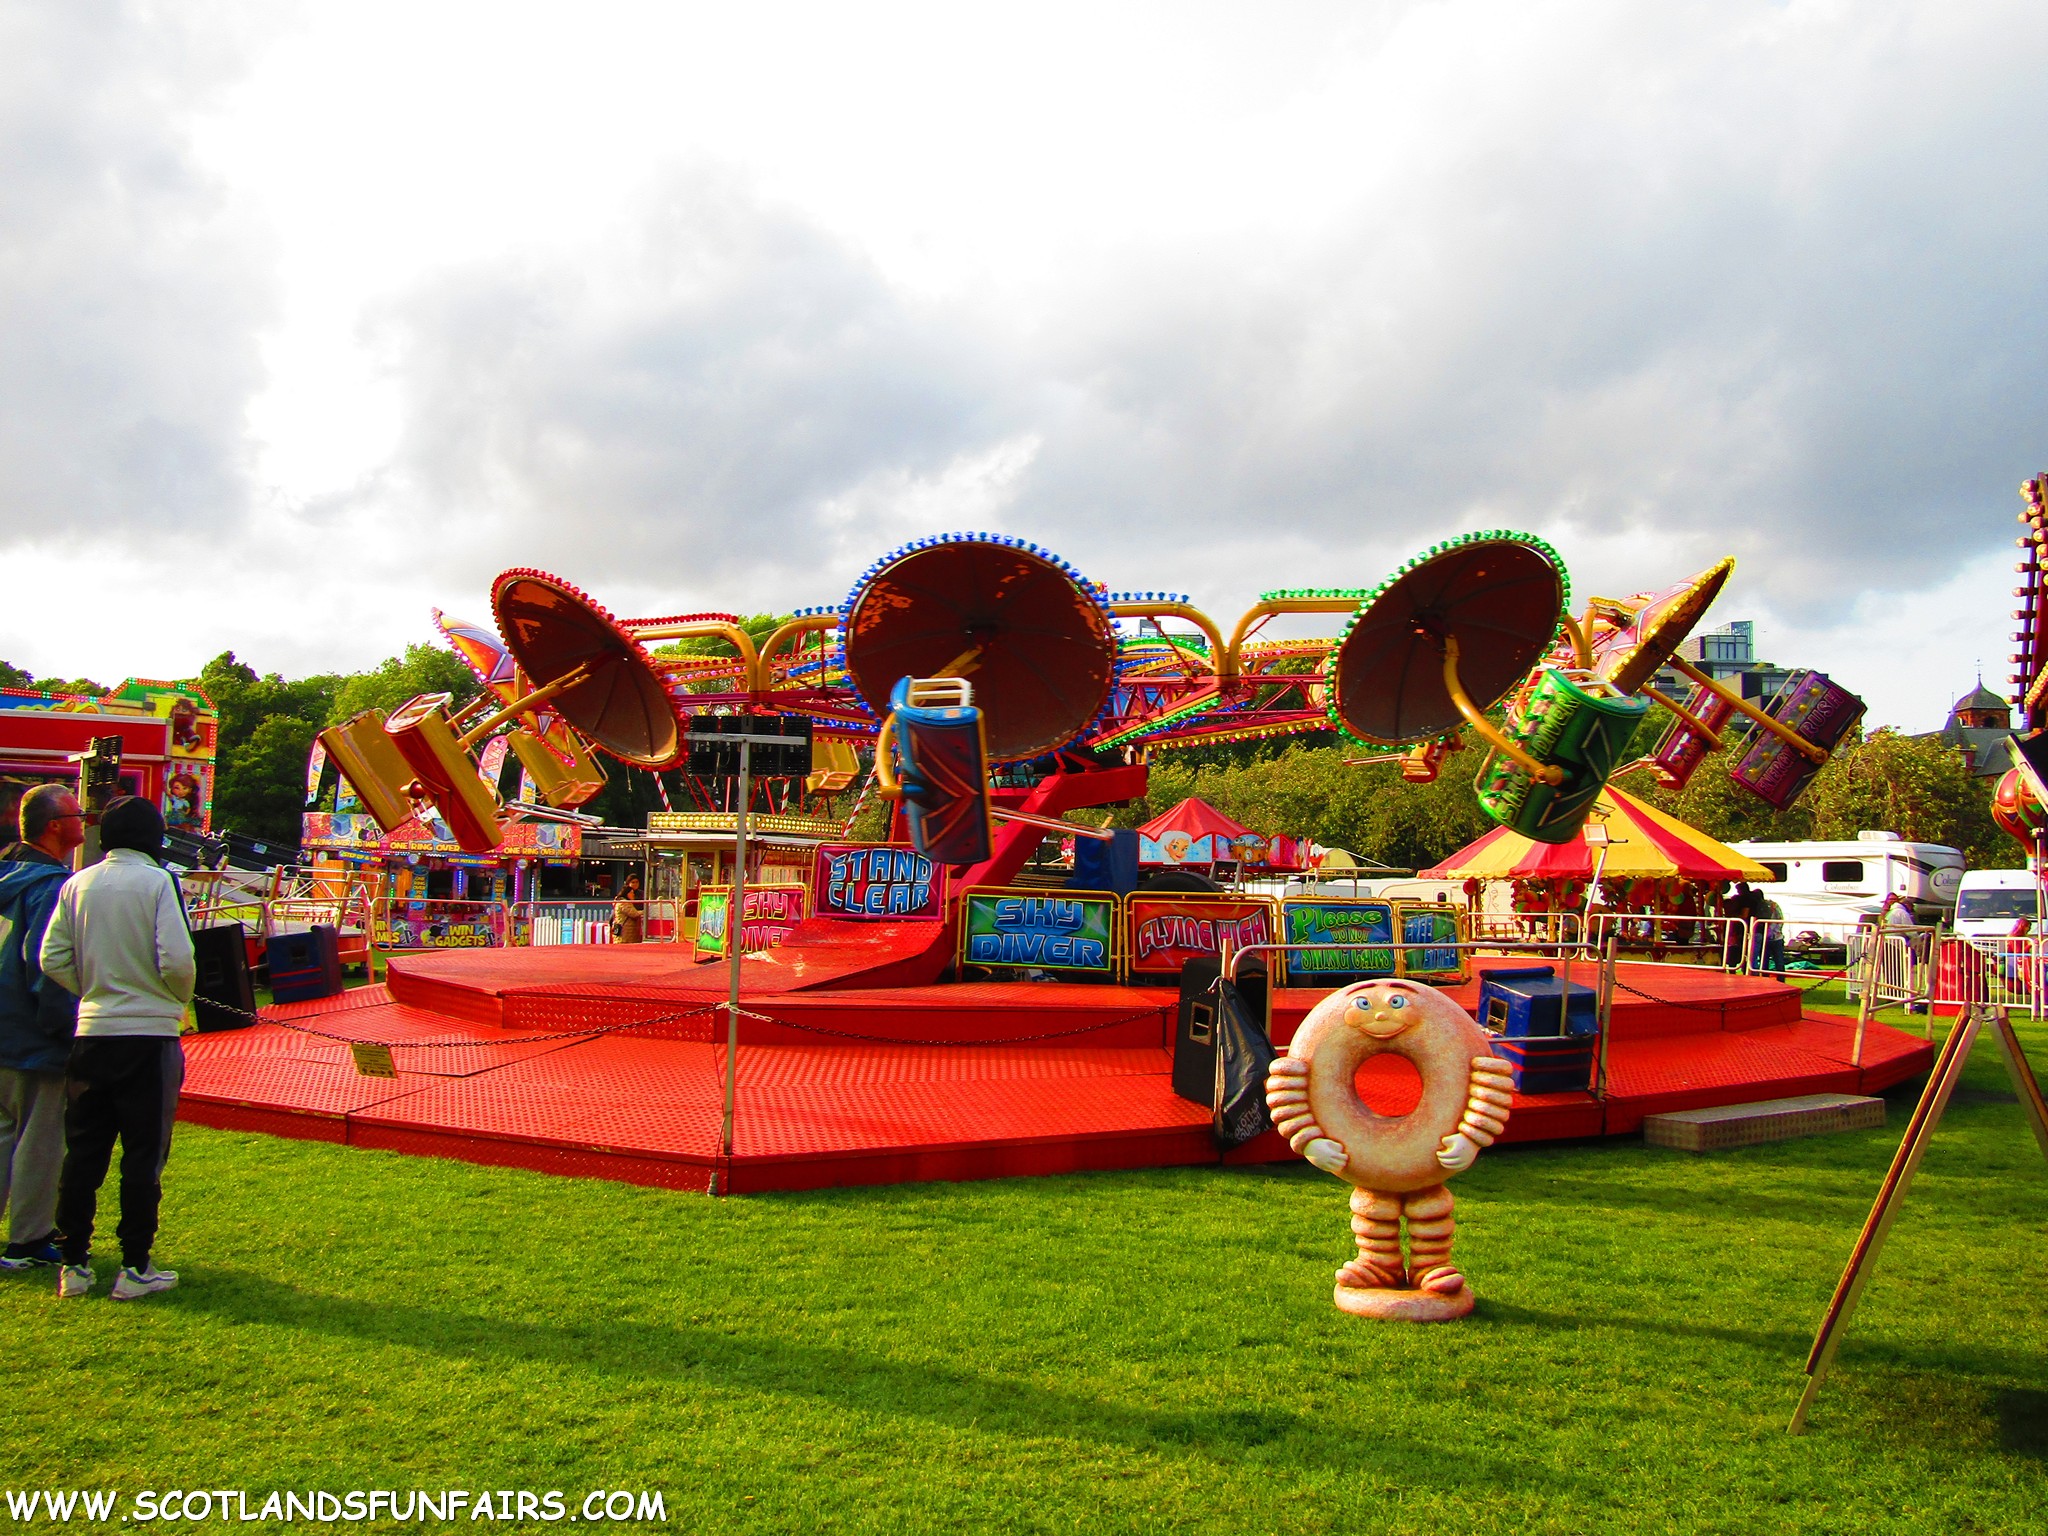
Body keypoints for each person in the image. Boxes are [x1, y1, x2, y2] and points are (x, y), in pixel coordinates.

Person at [40, 796, 194, 1301]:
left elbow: (52, 957)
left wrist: (91, 991)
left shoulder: (76, 883)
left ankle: (74, 1262)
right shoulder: (157, 882)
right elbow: (176, 958)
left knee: (83, 1152)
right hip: (149, 1036)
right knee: (143, 1155)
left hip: (92, 1032)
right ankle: (134, 1264)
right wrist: (170, 999)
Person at [0, 786, 83, 1271]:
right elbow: (46, 965)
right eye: (76, 813)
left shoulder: (8, 872)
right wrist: (65, 1030)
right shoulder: (49, 886)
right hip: (33, 1033)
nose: (84, 819)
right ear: (54, 826)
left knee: (5, 1132)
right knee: (40, 1139)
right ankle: (29, 1238)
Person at [611, 873, 645, 945]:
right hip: (626, 931)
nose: (635, 884)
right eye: (633, 882)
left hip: (632, 928)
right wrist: (645, 912)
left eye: (637, 882)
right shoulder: (624, 902)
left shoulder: (642, 894)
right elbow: (634, 914)